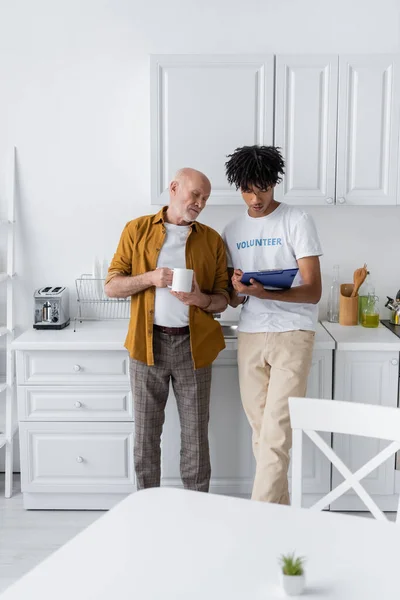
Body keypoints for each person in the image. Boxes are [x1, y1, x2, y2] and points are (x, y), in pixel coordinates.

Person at [105, 168, 229, 492]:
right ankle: (147, 508)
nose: (200, 203)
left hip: (194, 348)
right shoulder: (136, 230)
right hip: (147, 347)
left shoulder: (212, 240)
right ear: (174, 188)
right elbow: (112, 286)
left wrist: (200, 298)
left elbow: (223, 300)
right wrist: (150, 278)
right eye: (195, 195)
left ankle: (196, 508)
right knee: (146, 438)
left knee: (196, 440)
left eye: (205, 198)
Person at [222, 146, 323, 504]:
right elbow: (234, 300)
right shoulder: (231, 230)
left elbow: (313, 291)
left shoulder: (297, 220)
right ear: (238, 187)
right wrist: (238, 289)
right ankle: (280, 520)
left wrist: (268, 293)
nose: (256, 197)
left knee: (277, 433)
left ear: (275, 183)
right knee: (261, 433)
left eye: (263, 188)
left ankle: (258, 522)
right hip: (250, 334)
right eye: (248, 189)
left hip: (292, 333)